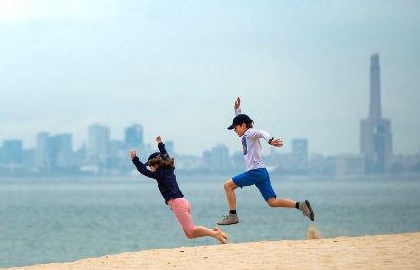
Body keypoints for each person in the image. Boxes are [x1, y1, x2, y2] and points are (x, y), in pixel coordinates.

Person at [217, 97, 314, 225]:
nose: (234, 130)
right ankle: (301, 205)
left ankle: (233, 215)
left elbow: (261, 132)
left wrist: (270, 140)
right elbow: (241, 120)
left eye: (235, 128)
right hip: (262, 172)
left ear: (243, 126)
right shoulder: (246, 131)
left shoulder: (250, 133)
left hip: (255, 172)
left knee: (227, 185)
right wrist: (237, 110)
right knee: (272, 202)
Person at [131, 135, 228, 244]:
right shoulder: (170, 169)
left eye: (150, 166)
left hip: (178, 204)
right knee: (189, 235)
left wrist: (134, 159)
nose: (150, 168)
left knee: (191, 230)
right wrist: (160, 144)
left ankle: (215, 234)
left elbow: (143, 171)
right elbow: (166, 156)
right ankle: (215, 232)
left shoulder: (159, 174)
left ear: (156, 165)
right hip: (183, 202)